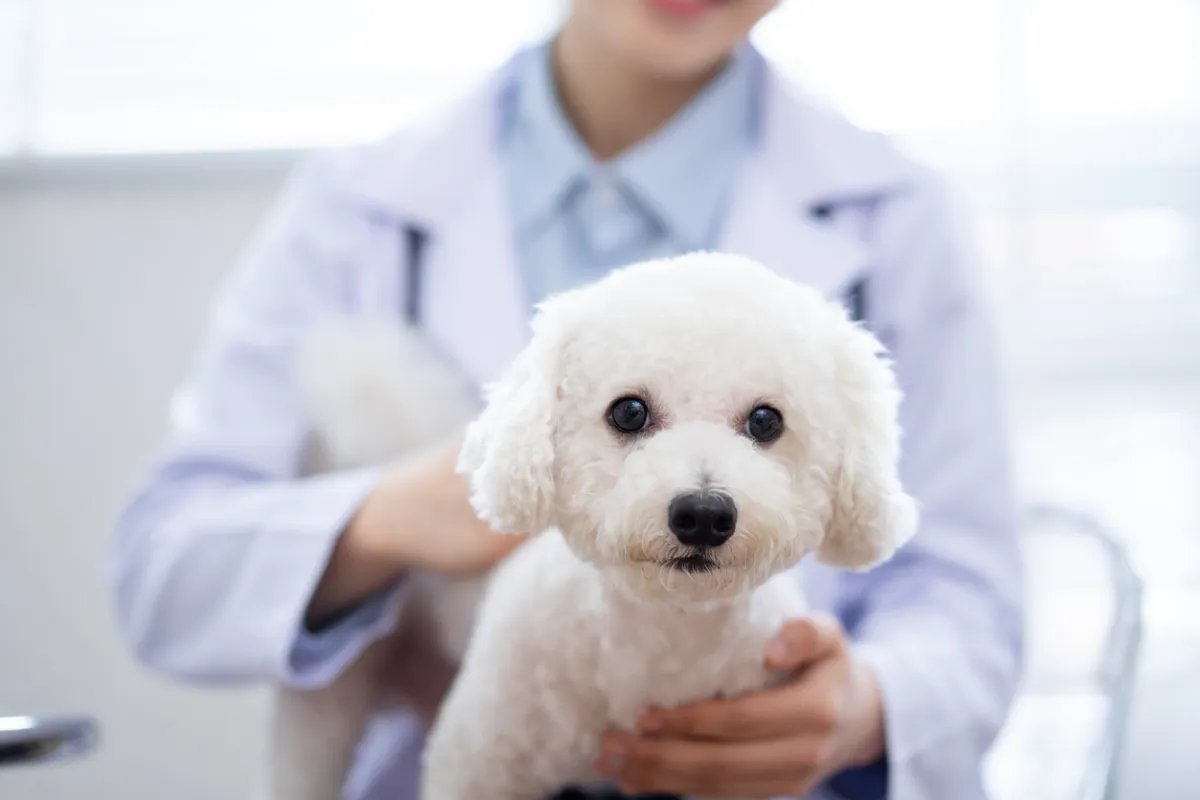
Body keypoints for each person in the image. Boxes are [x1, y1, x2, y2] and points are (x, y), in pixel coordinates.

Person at [109, 1, 1024, 798]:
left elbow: (967, 597)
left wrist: (868, 707)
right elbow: (163, 570)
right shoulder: (359, 203)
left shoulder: (900, 215)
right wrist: (384, 520)